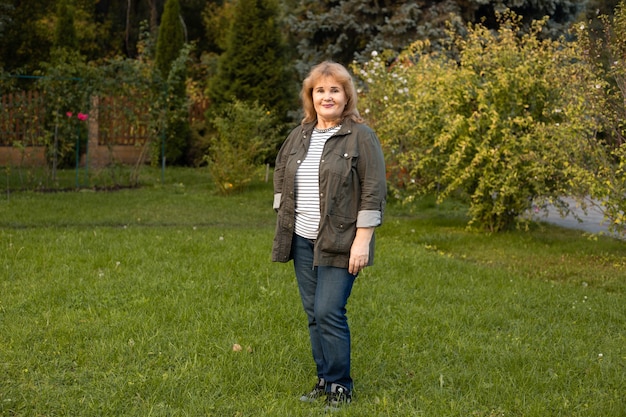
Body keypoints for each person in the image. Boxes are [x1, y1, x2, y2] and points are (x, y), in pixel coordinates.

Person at [272, 61, 387, 410]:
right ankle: (323, 380)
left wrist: (363, 239)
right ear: (311, 96)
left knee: (328, 310)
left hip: (341, 240)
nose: (327, 96)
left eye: (334, 90)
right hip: (303, 238)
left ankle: (341, 385)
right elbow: (281, 170)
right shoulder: (300, 134)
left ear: (346, 95)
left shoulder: (361, 136)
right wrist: (284, 211)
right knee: (313, 312)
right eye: (320, 90)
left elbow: (373, 189)